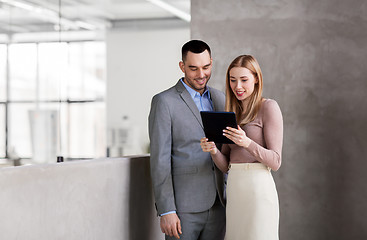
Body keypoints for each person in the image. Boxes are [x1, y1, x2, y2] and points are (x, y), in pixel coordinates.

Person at [149, 40, 226, 240]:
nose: (201, 74)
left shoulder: (221, 99)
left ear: (211, 63)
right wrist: (166, 210)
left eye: (206, 67)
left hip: (220, 204)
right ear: (182, 66)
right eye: (193, 68)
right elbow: (160, 160)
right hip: (183, 209)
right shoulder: (164, 102)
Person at [200, 54, 283, 240]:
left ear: (256, 78)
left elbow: (276, 161)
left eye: (244, 80)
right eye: (232, 80)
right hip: (235, 190)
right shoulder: (233, 114)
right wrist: (213, 150)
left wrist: (247, 143)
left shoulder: (268, 107)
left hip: (258, 189)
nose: (238, 86)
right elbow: (226, 166)